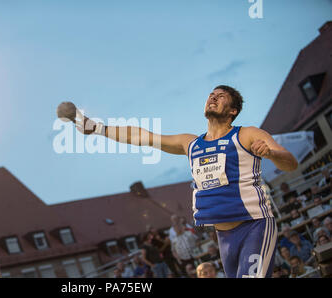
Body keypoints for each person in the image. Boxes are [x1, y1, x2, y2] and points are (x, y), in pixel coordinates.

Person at [70, 85, 298, 278]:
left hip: (254, 225)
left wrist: (271, 153)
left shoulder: (246, 134)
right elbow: (142, 137)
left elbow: (291, 163)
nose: (213, 97)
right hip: (224, 237)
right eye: (211, 94)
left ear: (233, 111)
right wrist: (97, 129)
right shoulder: (191, 144)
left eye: (221, 96)